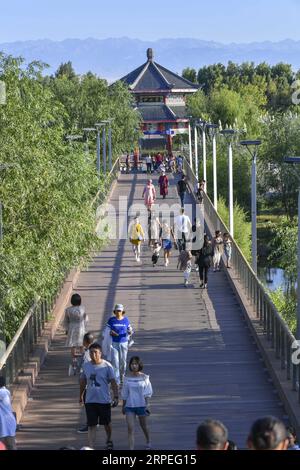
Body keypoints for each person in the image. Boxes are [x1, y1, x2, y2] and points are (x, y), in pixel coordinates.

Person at [80, 343, 119, 450]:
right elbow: (83, 381)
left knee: (106, 423)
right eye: (91, 352)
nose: (93, 355)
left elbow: (113, 382)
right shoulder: (86, 366)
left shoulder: (107, 366)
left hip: (104, 400)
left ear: (100, 353)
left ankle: (109, 439)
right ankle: (91, 446)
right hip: (90, 400)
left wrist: (116, 396)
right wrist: (81, 395)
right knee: (91, 425)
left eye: (95, 352)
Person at [121, 356, 153, 450]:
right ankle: (131, 448)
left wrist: (148, 405)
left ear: (139, 365)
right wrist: (123, 406)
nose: (134, 366)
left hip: (142, 405)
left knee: (144, 426)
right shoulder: (127, 378)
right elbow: (124, 394)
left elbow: (147, 393)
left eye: (136, 364)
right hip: (130, 406)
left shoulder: (144, 378)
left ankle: (148, 440)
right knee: (130, 428)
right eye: (132, 364)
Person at [106, 304, 133, 386]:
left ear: (122, 312)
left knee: (123, 361)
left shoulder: (126, 320)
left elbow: (130, 330)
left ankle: (122, 377)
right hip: (114, 343)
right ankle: (117, 380)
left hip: (124, 343)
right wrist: (111, 332)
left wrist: (130, 332)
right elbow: (106, 331)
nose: (118, 312)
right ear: (114, 311)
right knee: (115, 361)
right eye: (117, 311)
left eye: (120, 311)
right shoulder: (111, 320)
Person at [63, 293, 88, 375]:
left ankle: (74, 361)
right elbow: (86, 319)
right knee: (81, 345)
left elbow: (66, 321)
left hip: (72, 328)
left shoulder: (68, 310)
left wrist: (66, 329)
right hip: (81, 328)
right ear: (80, 301)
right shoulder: (82, 308)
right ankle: (82, 361)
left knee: (73, 345)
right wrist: (85, 325)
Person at [77, 332, 95, 433]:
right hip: (96, 383)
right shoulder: (95, 351)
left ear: (85, 342)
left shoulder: (86, 356)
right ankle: (94, 422)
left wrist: (81, 394)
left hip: (88, 384)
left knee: (88, 405)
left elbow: (83, 376)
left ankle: (89, 424)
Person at [0, 376, 17, 450]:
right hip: (7, 423)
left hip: (5, 424)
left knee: (10, 446)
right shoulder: (5, 391)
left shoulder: (2, 392)